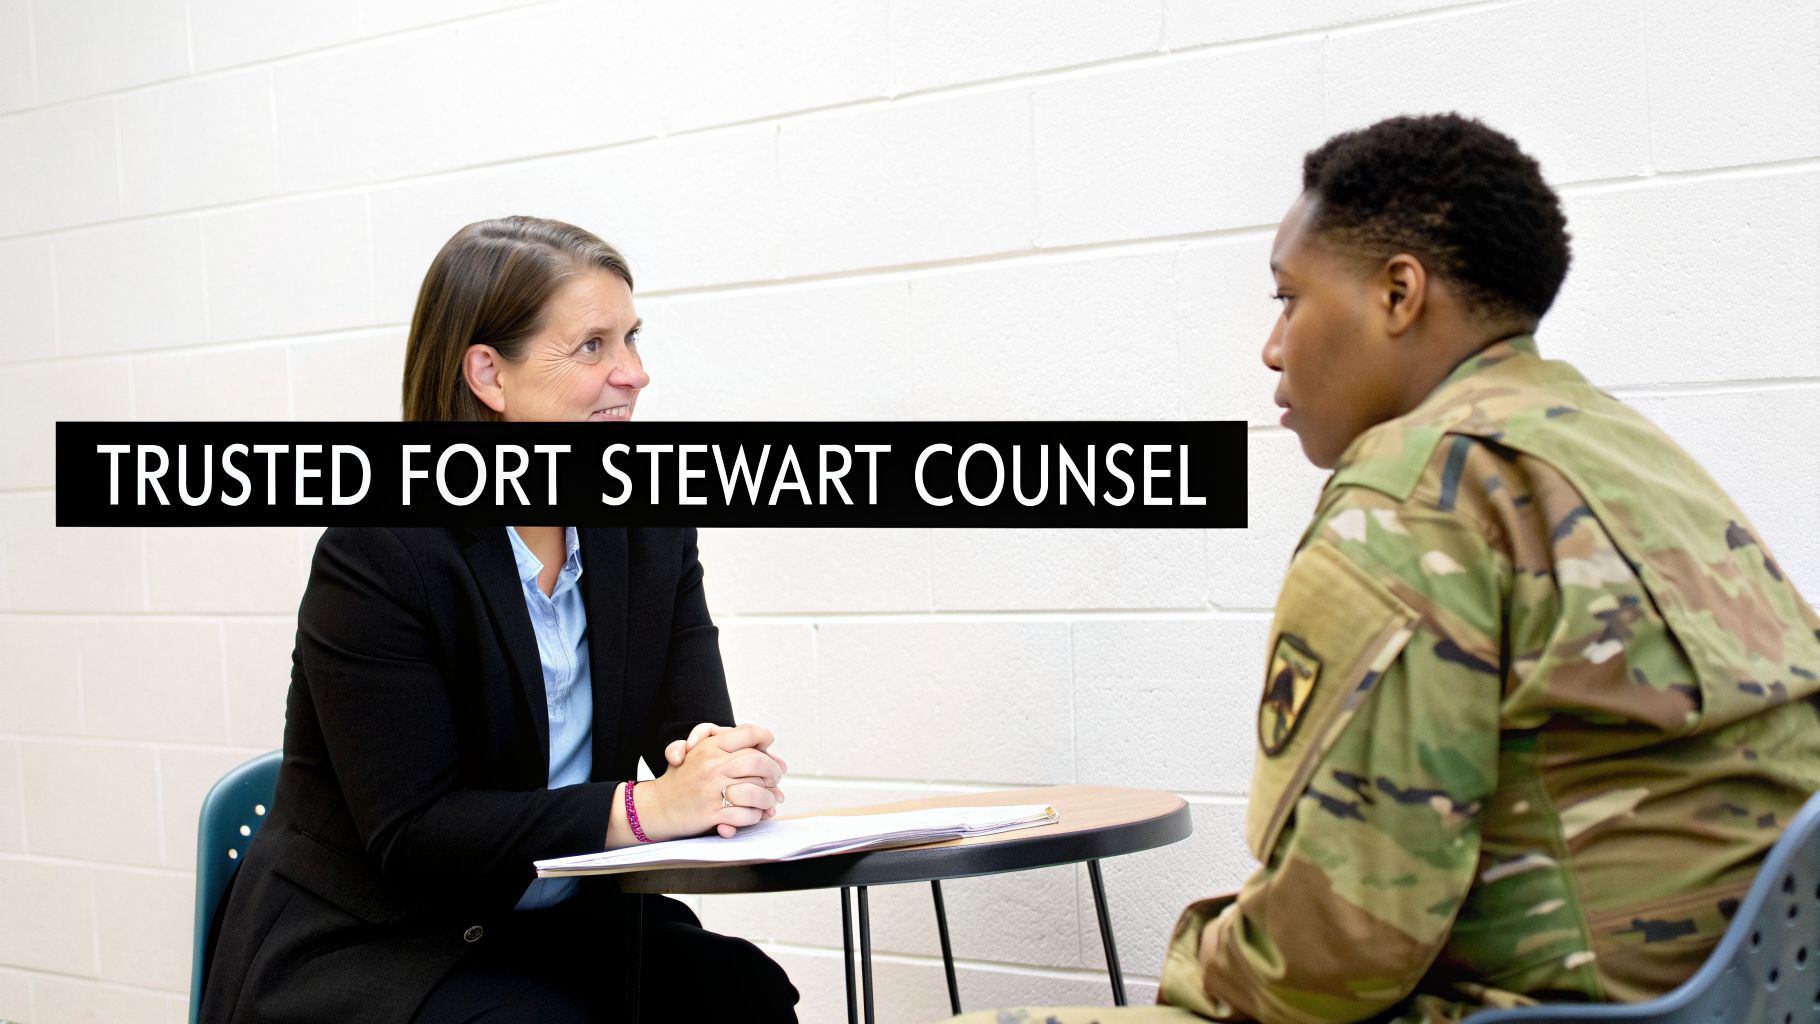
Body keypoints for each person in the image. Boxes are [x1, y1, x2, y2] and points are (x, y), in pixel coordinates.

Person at [956, 115, 1820, 1023]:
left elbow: (1336, 955)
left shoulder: (1414, 490)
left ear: (1399, 294)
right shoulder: (1620, 447)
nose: (1273, 347)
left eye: (1288, 298)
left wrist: (1193, 965)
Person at [198, 216, 801, 1023]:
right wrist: (646, 807)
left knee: (743, 995)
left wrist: (724, 770)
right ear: (489, 373)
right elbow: (415, 832)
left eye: (632, 338)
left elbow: (687, 737)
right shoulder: (381, 549)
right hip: (381, 940)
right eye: (593, 346)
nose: (634, 374)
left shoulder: (648, 529)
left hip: (562, 927)